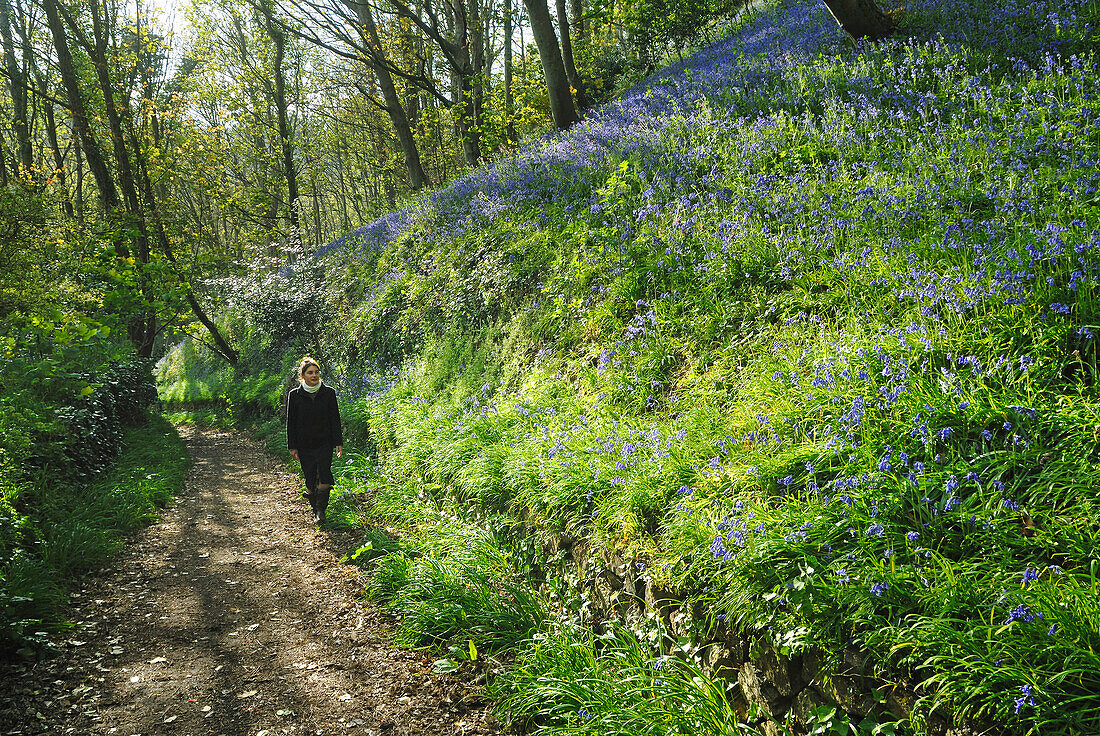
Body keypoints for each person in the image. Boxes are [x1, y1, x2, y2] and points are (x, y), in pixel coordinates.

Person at [286, 356, 343, 524]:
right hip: (304, 444)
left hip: (324, 442)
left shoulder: (329, 393)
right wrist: (292, 446)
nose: (314, 375)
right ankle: (313, 505)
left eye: (316, 372)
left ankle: (321, 511)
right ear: (302, 376)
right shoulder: (295, 395)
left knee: (324, 474)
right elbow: (291, 423)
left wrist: (338, 442)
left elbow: (335, 419)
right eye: (310, 373)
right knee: (310, 479)